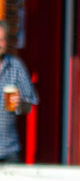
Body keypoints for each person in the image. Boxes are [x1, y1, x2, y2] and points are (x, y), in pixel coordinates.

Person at [0, 20, 38, 163]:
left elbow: (30, 104)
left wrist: (21, 103)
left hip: (8, 149)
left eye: (2, 40)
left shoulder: (15, 66)